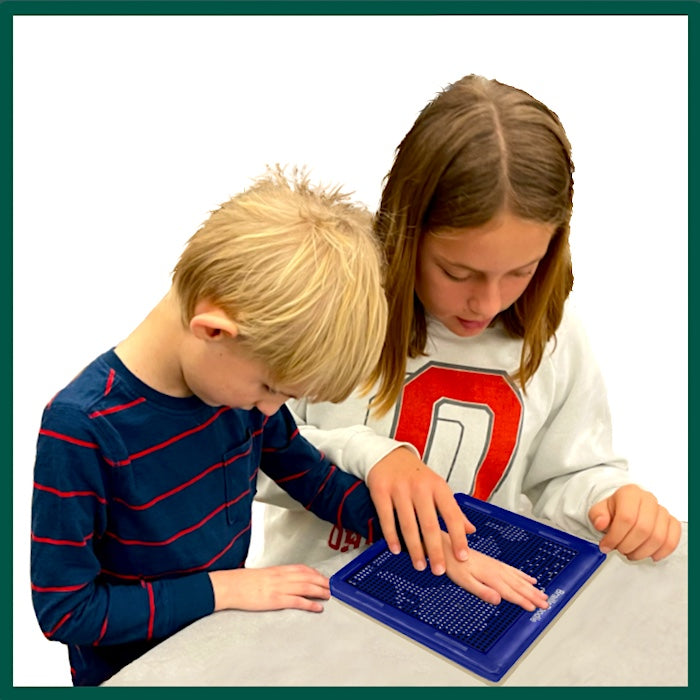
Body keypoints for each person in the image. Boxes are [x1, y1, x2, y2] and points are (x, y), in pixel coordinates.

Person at [30, 167, 548, 687]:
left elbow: (315, 480)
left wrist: (435, 545)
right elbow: (67, 612)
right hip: (139, 674)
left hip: (222, 645)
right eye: (271, 390)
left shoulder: (234, 387)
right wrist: (224, 590)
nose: (269, 411)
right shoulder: (82, 428)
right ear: (214, 331)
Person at [252, 75, 682, 579]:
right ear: (408, 231)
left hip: (471, 610)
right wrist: (371, 456)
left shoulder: (555, 335)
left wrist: (612, 501)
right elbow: (244, 456)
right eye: (458, 273)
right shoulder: (333, 296)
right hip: (317, 606)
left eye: (522, 272)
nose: (489, 301)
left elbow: (563, 479)